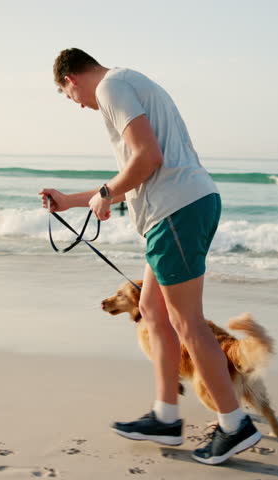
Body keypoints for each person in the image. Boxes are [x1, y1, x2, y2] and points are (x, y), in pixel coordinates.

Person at [39, 48, 261, 465]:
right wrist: (71, 200)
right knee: (152, 310)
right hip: (179, 207)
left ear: (70, 79)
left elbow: (147, 157)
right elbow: (136, 173)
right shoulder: (126, 83)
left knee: (187, 322)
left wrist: (106, 194)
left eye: (68, 96)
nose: (77, 104)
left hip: (176, 210)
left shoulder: (110, 87)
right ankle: (165, 416)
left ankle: (235, 425)